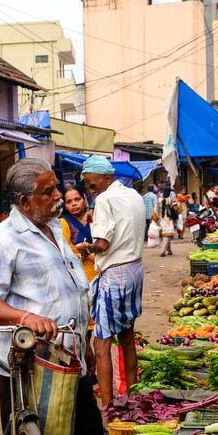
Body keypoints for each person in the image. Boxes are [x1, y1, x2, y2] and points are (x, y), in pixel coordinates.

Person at [0, 157, 149, 435]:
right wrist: (25, 317)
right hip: (29, 362)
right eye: (48, 192)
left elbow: (72, 289)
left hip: (69, 356)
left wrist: (85, 346)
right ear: (24, 201)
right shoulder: (2, 241)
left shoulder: (56, 229)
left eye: (56, 188)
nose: (57, 197)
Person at [79, 155, 146, 406]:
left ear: (107, 178)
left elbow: (103, 244)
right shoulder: (133, 195)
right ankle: (133, 396)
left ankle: (108, 408)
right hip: (135, 269)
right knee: (127, 336)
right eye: (88, 185)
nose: (90, 190)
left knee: (102, 343)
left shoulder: (105, 199)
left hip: (116, 274)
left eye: (92, 184)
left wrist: (86, 248)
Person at [60, 186, 97, 333]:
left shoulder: (95, 218)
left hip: (99, 276)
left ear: (84, 199)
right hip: (79, 279)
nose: (74, 204)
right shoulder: (64, 223)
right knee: (83, 327)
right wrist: (88, 254)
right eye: (69, 201)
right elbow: (67, 249)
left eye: (77, 199)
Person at [154, 191, 178, 257]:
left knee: (166, 235)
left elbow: (155, 211)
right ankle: (163, 251)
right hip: (168, 220)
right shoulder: (171, 199)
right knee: (166, 236)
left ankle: (169, 250)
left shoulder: (159, 200)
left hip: (161, 220)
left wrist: (156, 221)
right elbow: (175, 208)